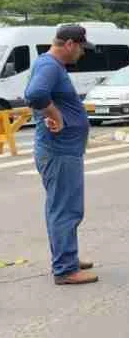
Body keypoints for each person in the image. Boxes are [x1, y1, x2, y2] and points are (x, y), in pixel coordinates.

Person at [25, 25, 98, 285]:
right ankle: (65, 269)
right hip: (59, 151)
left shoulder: (51, 65)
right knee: (66, 210)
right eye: (81, 48)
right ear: (69, 44)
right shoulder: (49, 66)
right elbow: (35, 94)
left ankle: (68, 257)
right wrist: (55, 115)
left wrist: (55, 114)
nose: (82, 53)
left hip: (61, 150)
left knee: (61, 208)